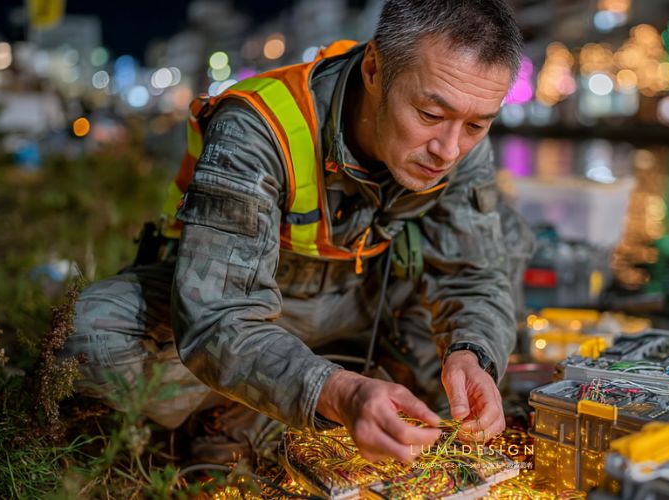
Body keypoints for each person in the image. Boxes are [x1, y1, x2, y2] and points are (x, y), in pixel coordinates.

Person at [59, 0, 533, 464]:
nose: (449, 150)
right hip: (260, 307)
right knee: (90, 335)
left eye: (475, 125)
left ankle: (289, 405)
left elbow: (473, 275)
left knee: (508, 239)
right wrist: (336, 391)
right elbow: (218, 317)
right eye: (430, 116)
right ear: (374, 70)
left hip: (369, 304)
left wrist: (472, 355)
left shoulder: (460, 142)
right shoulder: (258, 128)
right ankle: (273, 408)